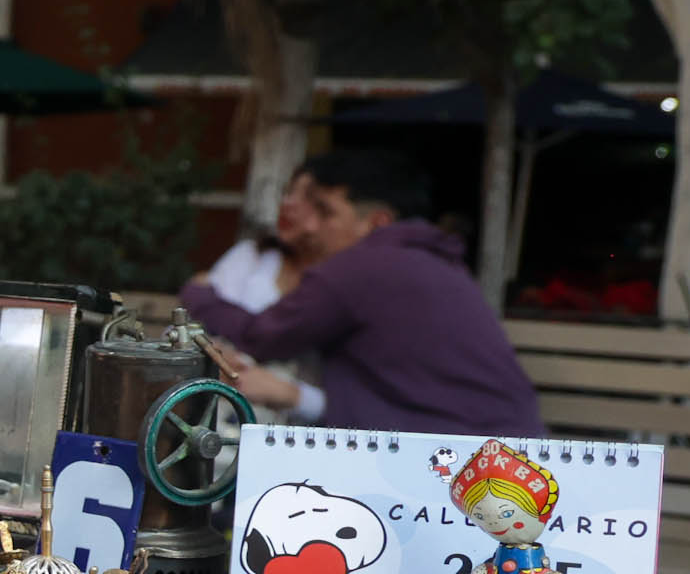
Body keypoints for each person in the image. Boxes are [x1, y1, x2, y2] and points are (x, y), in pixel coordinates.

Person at [182, 148, 541, 437]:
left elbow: (261, 336)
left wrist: (198, 294)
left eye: (327, 213)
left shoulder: (361, 267)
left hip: (445, 457)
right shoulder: (438, 263)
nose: (312, 227)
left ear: (377, 222)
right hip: (508, 449)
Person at [196, 168, 330, 422]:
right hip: (220, 417)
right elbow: (194, 330)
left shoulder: (347, 287)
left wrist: (290, 394)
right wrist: (215, 355)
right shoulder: (253, 255)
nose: (288, 204)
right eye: (288, 192)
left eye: (309, 198)